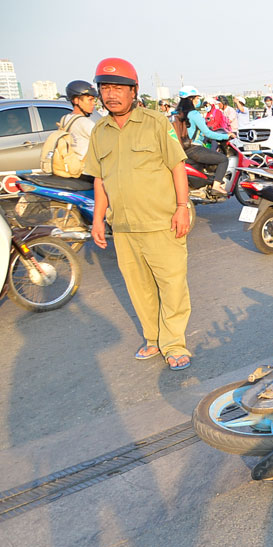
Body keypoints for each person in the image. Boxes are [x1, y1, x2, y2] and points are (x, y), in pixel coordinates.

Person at [83, 58, 193, 371]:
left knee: (172, 285)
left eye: (119, 87)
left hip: (162, 222)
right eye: (105, 88)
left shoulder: (156, 121)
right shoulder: (99, 131)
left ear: (134, 91)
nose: (111, 94)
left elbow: (176, 166)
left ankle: (174, 344)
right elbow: (99, 179)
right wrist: (97, 220)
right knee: (138, 286)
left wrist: (182, 209)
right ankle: (153, 338)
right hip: (125, 226)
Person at [175, 87, 231, 195]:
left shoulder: (176, 113)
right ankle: (216, 186)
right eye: (196, 98)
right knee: (223, 160)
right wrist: (226, 136)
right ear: (191, 99)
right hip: (193, 148)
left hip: (180, 149)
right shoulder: (194, 114)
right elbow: (208, 133)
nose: (198, 101)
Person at [60, 80, 98, 169]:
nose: (93, 103)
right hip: (85, 171)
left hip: (71, 167)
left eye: (94, 100)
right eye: (90, 100)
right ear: (76, 100)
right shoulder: (85, 123)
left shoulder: (65, 118)